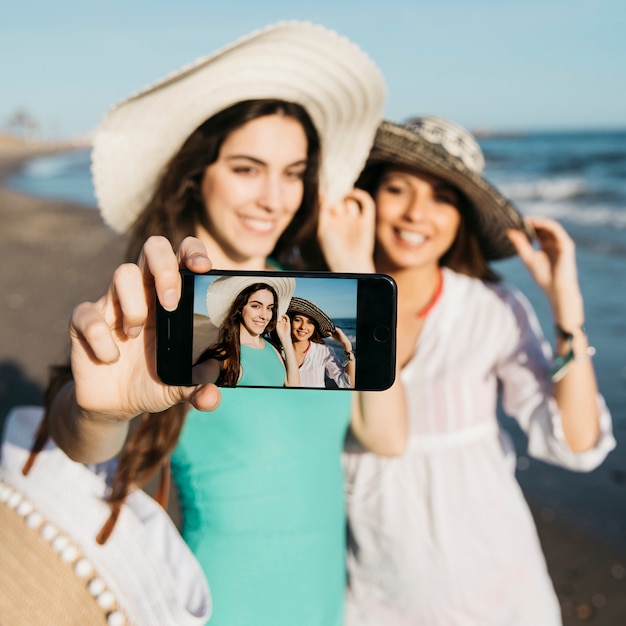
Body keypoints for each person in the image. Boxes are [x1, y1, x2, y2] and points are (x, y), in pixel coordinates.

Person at [35, 22, 406, 626]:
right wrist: (96, 412)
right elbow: (81, 446)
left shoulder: (310, 298)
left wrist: (359, 272)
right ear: (196, 175)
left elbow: (386, 437)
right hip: (225, 605)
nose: (274, 197)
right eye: (246, 168)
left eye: (293, 173)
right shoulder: (157, 311)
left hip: (322, 602)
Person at [320, 116, 616, 625]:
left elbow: (576, 443)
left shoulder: (489, 309)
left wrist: (566, 309)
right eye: (398, 189)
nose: (417, 213)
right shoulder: (322, 305)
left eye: (443, 198)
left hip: (496, 583)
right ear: (366, 195)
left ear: (460, 219)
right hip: (370, 589)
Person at [193, 276, 300, 387]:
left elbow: (293, 386)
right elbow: (197, 377)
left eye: (269, 308)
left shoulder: (272, 347)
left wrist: (286, 339)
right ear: (239, 309)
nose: (264, 316)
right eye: (256, 306)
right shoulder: (225, 353)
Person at [286, 296, 355, 388]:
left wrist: (347, 345)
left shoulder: (323, 351)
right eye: (298, 320)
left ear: (315, 327)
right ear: (289, 321)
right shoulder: (278, 351)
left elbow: (348, 384)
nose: (303, 327)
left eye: (310, 322)